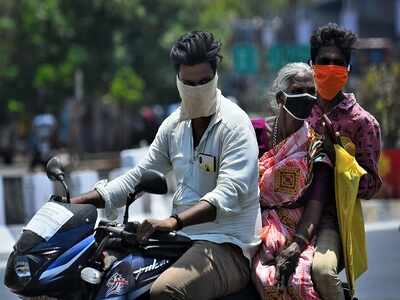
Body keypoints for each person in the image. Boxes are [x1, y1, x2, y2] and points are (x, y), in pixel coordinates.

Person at [71, 31, 261, 300]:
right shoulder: (174, 126)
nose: (196, 90)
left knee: (165, 291)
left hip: (227, 246)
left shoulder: (235, 125)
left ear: (216, 77)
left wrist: (173, 221)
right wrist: (76, 202)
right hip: (180, 242)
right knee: (111, 278)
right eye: (188, 83)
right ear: (178, 80)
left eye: (204, 82)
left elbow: (227, 194)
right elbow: (139, 176)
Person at [308, 23, 382, 300]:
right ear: (311, 64)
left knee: (323, 272)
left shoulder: (362, 123)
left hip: (333, 220)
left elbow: (371, 186)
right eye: (323, 61)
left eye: (338, 63)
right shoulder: (300, 110)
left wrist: (338, 156)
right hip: (289, 214)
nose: (330, 68)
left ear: (348, 69)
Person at [251, 62, 332, 300]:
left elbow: (315, 203)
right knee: (268, 281)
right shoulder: (253, 133)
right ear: (280, 98)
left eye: (311, 91)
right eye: (298, 91)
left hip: (299, 231)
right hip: (255, 226)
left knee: (300, 282)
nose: (306, 97)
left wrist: (297, 245)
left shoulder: (316, 145)